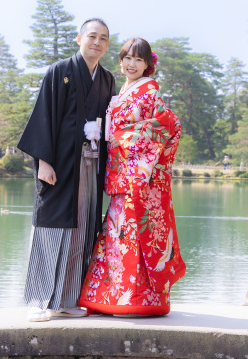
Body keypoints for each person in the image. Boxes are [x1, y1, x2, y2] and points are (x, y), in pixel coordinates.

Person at [17, 18, 116, 322]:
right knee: (51, 227)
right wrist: (43, 162)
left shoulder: (107, 79)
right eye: (91, 36)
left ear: (107, 45)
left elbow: (112, 124)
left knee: (83, 229)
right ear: (79, 38)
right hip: (59, 164)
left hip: (91, 163)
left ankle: (67, 299)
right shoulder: (59, 72)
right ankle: (37, 299)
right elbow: (44, 116)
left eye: (103, 38)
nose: (96, 42)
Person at [79, 38, 186, 316]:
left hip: (138, 177)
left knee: (134, 235)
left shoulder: (150, 93)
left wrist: (123, 138)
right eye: (127, 58)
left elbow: (169, 125)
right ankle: (111, 297)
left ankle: (138, 301)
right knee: (116, 234)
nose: (132, 64)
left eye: (138, 60)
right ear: (121, 60)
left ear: (148, 64)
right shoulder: (123, 90)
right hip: (121, 174)